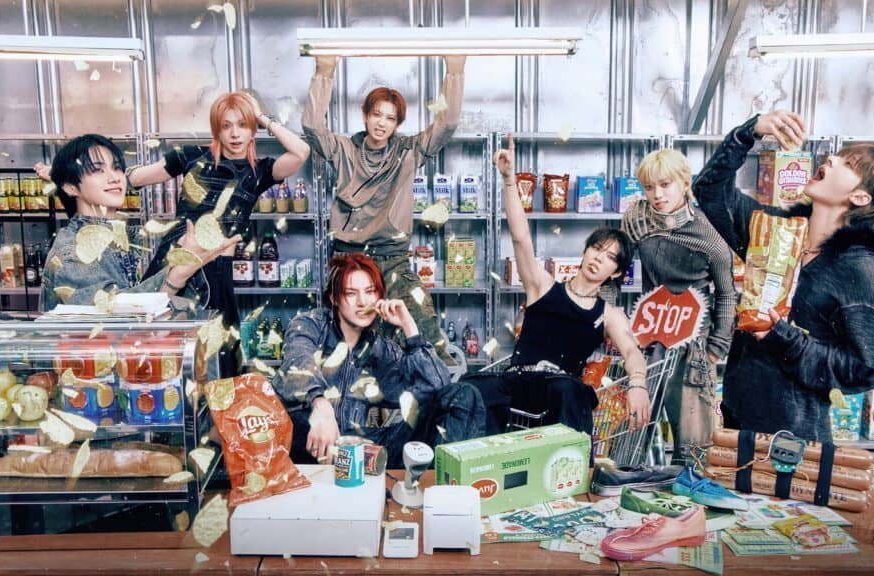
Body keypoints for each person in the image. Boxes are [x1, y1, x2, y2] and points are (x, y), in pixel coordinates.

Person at [38, 92, 309, 374]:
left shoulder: (259, 171)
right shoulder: (191, 156)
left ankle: (205, 407)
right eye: (226, 126)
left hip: (216, 266)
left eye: (243, 124)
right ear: (216, 129)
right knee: (162, 343)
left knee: (219, 350)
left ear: (253, 128)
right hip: (177, 258)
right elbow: (133, 179)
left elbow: (301, 152)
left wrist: (264, 117)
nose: (235, 134)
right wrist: (64, 175)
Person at [694, 110, 874, 442]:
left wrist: (786, 339)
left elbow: (873, 367)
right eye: (835, 156)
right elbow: (709, 191)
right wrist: (749, 131)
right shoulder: (775, 233)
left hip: (795, 435)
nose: (831, 160)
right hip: (738, 413)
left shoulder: (861, 267)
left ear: (860, 197)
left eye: (847, 164)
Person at [463, 134, 651, 438]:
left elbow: (631, 350)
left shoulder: (610, 314)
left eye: (609, 258)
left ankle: (573, 476)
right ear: (585, 251)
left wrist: (638, 384)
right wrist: (509, 181)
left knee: (570, 390)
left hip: (560, 389)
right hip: (519, 380)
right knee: (468, 389)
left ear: (616, 273)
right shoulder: (542, 286)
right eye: (596, 249)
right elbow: (521, 238)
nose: (598, 259)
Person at [301, 55, 466, 360]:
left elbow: (448, 125)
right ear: (365, 116)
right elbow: (311, 126)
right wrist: (324, 71)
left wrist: (454, 72)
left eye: (390, 118)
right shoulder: (344, 149)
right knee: (346, 345)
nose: (382, 123)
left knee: (425, 332)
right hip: (348, 259)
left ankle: (440, 398)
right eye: (377, 114)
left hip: (393, 259)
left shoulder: (408, 152)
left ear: (397, 124)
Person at [271, 252, 485, 468]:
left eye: (370, 292)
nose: (362, 302)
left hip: (367, 452)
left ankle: (446, 489)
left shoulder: (384, 349)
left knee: (464, 395)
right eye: (351, 293)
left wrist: (410, 328)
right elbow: (296, 363)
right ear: (335, 298)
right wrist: (321, 405)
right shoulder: (311, 325)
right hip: (312, 445)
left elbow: (438, 387)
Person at [620, 149, 735, 464]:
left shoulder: (708, 236)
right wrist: (607, 316)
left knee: (694, 445)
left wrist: (716, 348)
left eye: (665, 185)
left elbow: (727, 293)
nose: (657, 195)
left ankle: (693, 496)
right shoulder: (636, 219)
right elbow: (613, 266)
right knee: (631, 434)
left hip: (695, 343)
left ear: (685, 184)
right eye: (648, 187)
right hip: (649, 337)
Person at [39, 134, 236, 311]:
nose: (114, 177)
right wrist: (178, 274)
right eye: (97, 170)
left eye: (116, 168)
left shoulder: (117, 239)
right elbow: (111, 322)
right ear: (71, 187)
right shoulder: (74, 251)